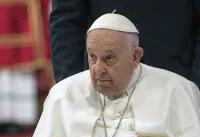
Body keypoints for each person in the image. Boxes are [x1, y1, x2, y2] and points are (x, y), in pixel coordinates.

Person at [10, 14, 200, 137]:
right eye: (92, 57)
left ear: (135, 57)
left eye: (109, 58)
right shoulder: (63, 93)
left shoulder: (176, 89)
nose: (98, 69)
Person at [50, 0, 200, 88]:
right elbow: (66, 22)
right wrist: (72, 86)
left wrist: (195, 88)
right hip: (100, 84)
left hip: (177, 78)